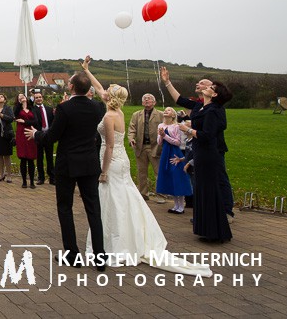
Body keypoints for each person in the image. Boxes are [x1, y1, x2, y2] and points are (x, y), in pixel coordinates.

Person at [78, 57, 211, 275]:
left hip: (112, 160)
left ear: (111, 97)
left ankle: (116, 241)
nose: (105, 91)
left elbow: (109, 146)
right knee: (125, 196)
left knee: (113, 199)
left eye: (109, 91)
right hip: (121, 159)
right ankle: (129, 234)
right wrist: (87, 70)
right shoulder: (118, 111)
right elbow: (99, 87)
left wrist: (103, 171)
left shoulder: (110, 116)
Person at [27, 71, 106, 270]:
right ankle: (100, 257)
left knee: (65, 208)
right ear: (88, 89)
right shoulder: (98, 107)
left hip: (68, 164)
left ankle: (72, 255)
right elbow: (102, 96)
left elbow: (51, 137)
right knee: (93, 209)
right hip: (89, 163)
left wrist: (36, 134)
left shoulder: (65, 108)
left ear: (71, 87)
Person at [161, 67, 234, 221]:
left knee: (220, 179)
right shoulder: (197, 105)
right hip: (198, 147)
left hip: (214, 148)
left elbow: (217, 128)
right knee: (199, 181)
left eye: (203, 83)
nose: (198, 84)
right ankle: (204, 213)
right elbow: (179, 100)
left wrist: (190, 129)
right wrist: (167, 82)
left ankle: (227, 211)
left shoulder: (216, 108)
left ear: (213, 91)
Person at [128, 93, 165, 203]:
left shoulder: (161, 115)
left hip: (156, 147)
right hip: (141, 147)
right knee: (141, 172)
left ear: (154, 102)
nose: (146, 100)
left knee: (158, 172)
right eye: (144, 99)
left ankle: (161, 195)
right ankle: (143, 194)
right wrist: (131, 139)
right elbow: (132, 129)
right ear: (142, 102)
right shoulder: (136, 115)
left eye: (149, 99)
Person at [156, 107, 193, 214]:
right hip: (165, 153)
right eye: (165, 110)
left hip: (174, 153)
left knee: (177, 177)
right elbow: (159, 142)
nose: (166, 111)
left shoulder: (176, 126)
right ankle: (175, 205)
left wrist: (165, 136)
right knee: (170, 178)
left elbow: (177, 142)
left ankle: (181, 206)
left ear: (173, 115)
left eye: (169, 110)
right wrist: (161, 136)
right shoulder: (160, 125)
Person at [13, 93, 38, 189]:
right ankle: (24, 181)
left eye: (23, 96)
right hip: (21, 134)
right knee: (23, 158)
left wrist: (25, 121)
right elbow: (15, 115)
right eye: (19, 96)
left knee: (31, 158)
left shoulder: (32, 109)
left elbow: (35, 121)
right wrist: (20, 103)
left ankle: (32, 181)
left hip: (30, 133)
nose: (22, 97)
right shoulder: (17, 109)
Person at [32, 90, 55, 185]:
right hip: (39, 135)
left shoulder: (49, 109)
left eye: (40, 97)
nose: (38, 99)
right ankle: (41, 177)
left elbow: (53, 121)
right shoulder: (33, 110)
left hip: (48, 135)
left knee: (50, 157)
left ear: (42, 98)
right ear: (34, 99)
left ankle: (52, 177)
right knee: (39, 157)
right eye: (36, 98)